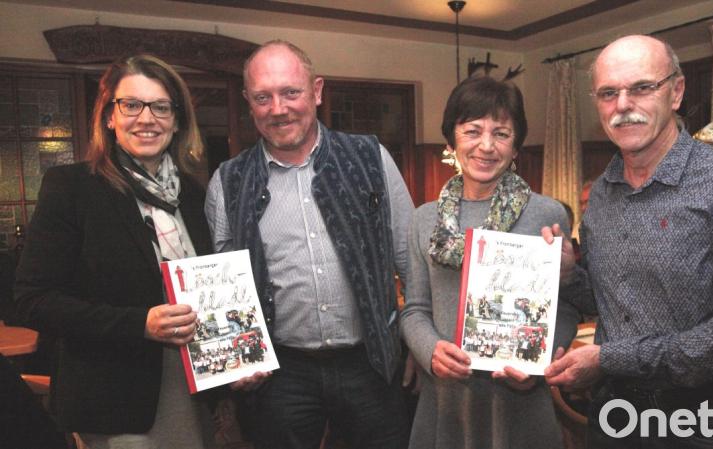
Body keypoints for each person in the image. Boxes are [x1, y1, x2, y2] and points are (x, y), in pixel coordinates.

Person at [544, 35, 713, 448]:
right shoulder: (603, 192)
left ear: (675, 92)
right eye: (608, 93)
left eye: (641, 87)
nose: (622, 105)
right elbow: (616, 306)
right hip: (616, 417)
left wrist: (609, 359)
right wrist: (570, 277)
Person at [205, 40, 414, 449]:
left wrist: (420, 348)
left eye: (291, 92)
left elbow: (409, 258)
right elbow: (222, 285)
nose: (278, 108)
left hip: (371, 364)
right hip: (281, 376)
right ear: (249, 102)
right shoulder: (227, 181)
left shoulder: (372, 158)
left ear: (316, 91)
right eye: (263, 97)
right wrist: (233, 359)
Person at [13, 55, 214, 448]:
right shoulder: (73, 188)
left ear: (176, 121)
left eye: (161, 107)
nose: (147, 118)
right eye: (131, 104)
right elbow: (33, 301)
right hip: (114, 394)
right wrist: (139, 324)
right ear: (109, 116)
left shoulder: (194, 195)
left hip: (196, 382)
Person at [400, 75, 581, 449]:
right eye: (472, 131)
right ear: (452, 141)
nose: (486, 146)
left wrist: (539, 366)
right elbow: (414, 309)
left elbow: (566, 308)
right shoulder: (423, 219)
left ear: (516, 146)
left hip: (519, 400)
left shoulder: (546, 214)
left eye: (501, 133)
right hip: (446, 399)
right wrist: (430, 351)